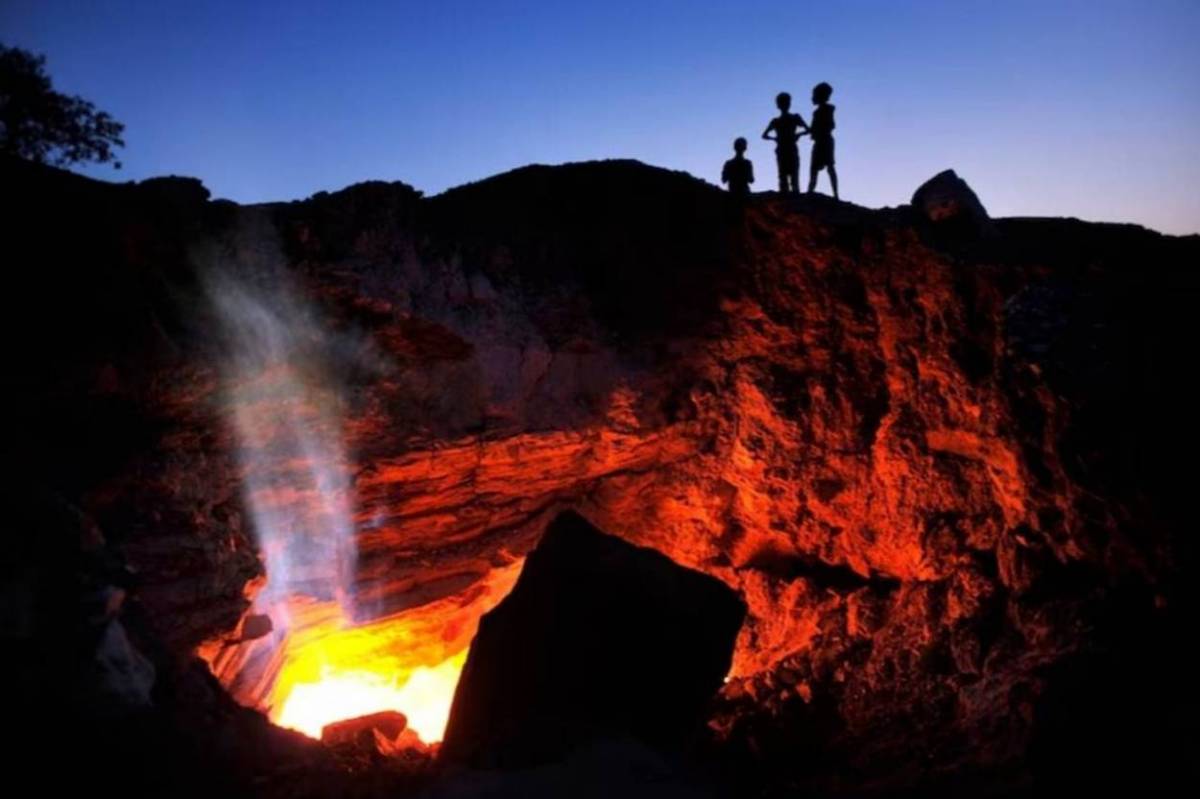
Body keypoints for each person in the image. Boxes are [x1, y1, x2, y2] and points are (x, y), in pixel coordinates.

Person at [762, 92, 808, 193]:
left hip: (786, 148)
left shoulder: (779, 120)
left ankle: (790, 198)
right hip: (786, 148)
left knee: (786, 176)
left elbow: (764, 135)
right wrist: (798, 135)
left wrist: (774, 139)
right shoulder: (783, 120)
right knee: (789, 176)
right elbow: (808, 130)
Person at [807, 82, 838, 199]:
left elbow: (831, 125)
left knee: (829, 166)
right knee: (815, 168)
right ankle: (810, 190)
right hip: (820, 141)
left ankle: (835, 194)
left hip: (825, 141)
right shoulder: (817, 112)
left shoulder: (828, 109)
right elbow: (812, 128)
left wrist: (815, 131)